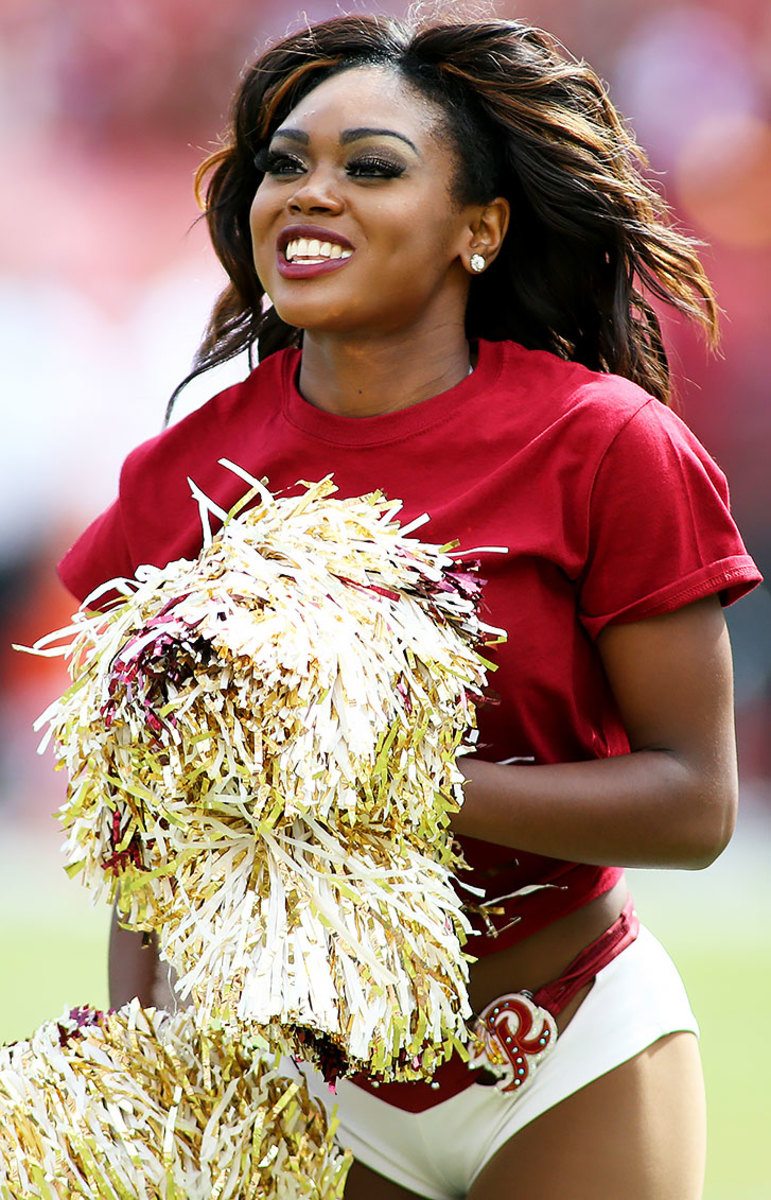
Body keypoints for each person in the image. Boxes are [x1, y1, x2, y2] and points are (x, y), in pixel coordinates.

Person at [57, 14, 761, 1199]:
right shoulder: (185, 477)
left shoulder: (602, 446)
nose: (308, 193)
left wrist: (381, 785)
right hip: (296, 1076)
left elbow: (695, 804)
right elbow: (150, 834)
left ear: (478, 229)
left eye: (371, 167)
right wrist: (149, 1055)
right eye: (284, 164)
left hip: (565, 1041)